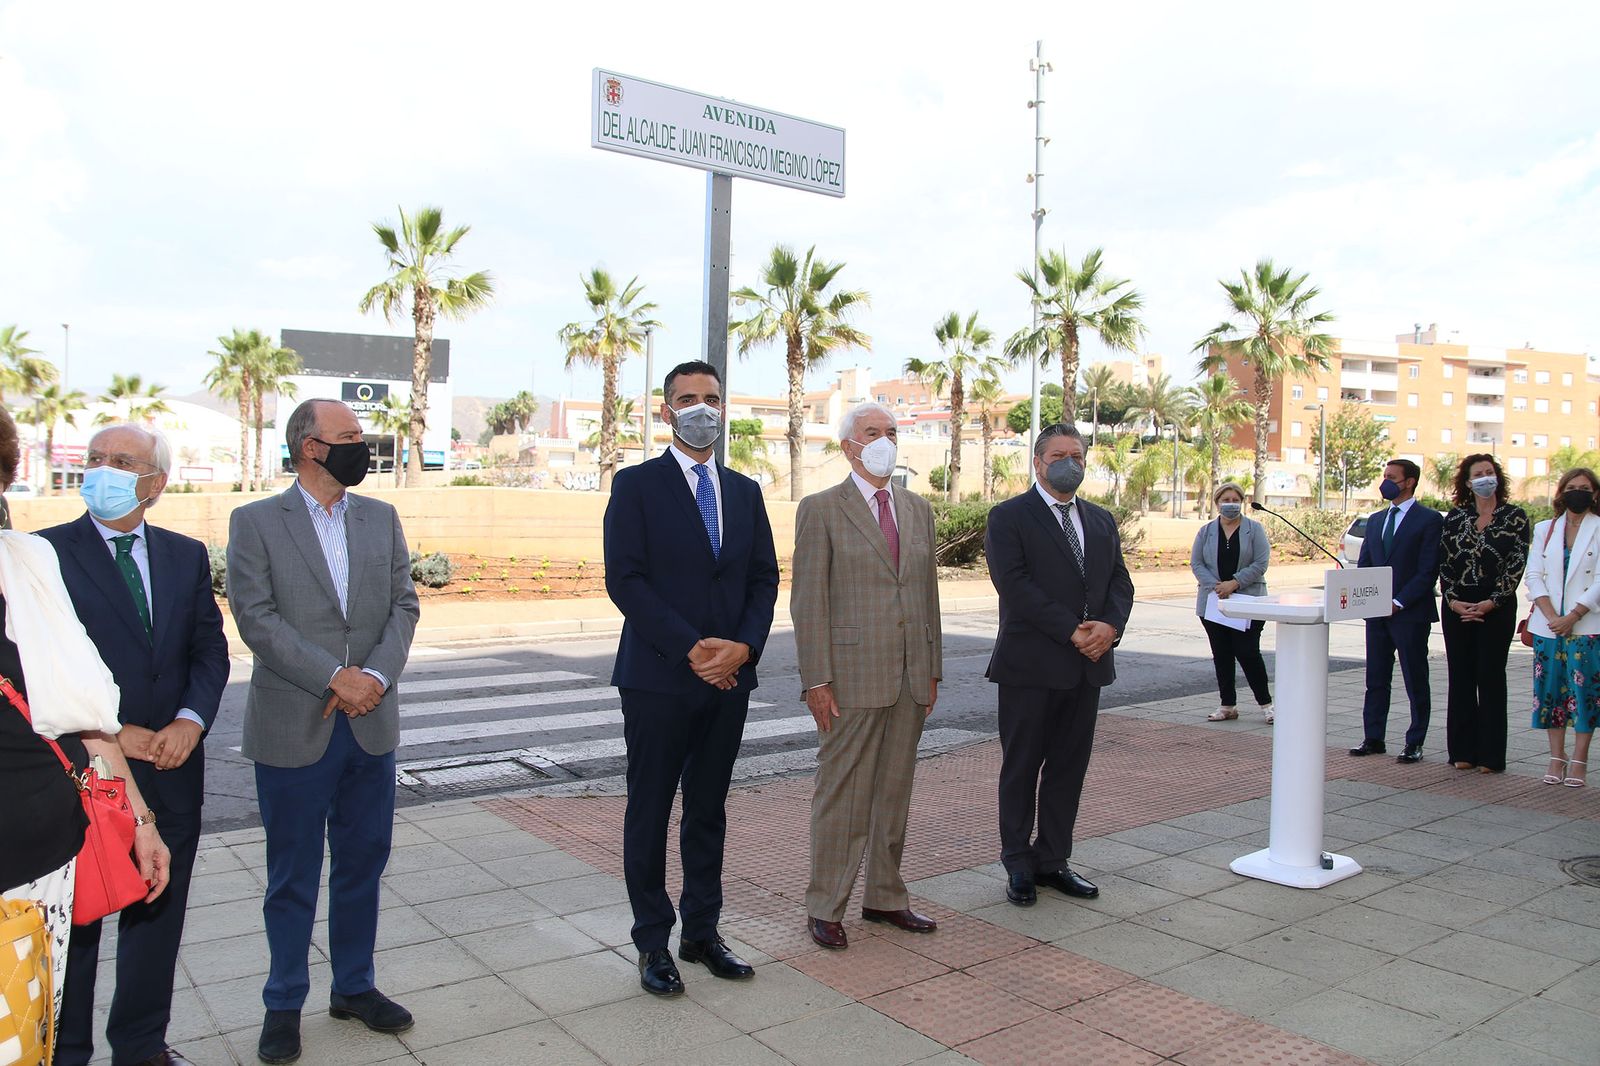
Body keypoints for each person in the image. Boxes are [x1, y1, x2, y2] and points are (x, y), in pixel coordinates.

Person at [227, 399, 420, 1064]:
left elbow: (403, 604)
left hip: (371, 724)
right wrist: (335, 676)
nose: (360, 448)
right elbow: (255, 618)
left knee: (363, 864)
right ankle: (283, 1003)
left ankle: (354, 986)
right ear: (310, 447)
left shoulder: (381, 517)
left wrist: (374, 677)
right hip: (294, 724)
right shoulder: (255, 521)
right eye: (349, 438)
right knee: (293, 874)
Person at [41, 425, 229, 1066]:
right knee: (81, 920)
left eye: (121, 462)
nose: (103, 470)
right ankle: (68, 1051)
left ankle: (142, 1045)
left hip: (175, 766)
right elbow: (41, 667)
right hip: (82, 767)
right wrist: (110, 732)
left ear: (156, 483)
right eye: (95, 459)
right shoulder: (45, 555)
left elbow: (209, 647)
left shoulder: (186, 554)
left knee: (158, 910)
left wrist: (190, 721)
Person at [603, 360, 779, 997]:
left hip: (730, 678)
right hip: (658, 678)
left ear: (723, 407)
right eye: (687, 399)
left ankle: (702, 931)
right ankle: (653, 940)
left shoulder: (745, 491)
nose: (701, 408)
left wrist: (744, 647)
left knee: (708, 810)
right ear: (665, 411)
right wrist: (691, 647)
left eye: (711, 398)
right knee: (649, 811)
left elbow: (763, 578)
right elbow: (625, 579)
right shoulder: (636, 486)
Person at [0, 404, 171, 1052]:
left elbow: (83, 711)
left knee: (22, 1035)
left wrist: (141, 820)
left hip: (32, 864)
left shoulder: (25, 562)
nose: (104, 473)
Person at [792, 402, 942, 951]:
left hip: (908, 677)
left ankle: (885, 896)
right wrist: (816, 679)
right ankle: (825, 904)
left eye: (892, 432)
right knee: (843, 794)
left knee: (893, 794)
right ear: (848, 446)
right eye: (872, 432)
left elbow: (926, 594)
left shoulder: (918, 508)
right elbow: (808, 602)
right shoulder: (822, 509)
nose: (885, 441)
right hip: (849, 678)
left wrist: (931, 669)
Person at [984, 423, 1134, 907]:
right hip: (1031, 666)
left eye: (1078, 454)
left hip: (1088, 667)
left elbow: (1119, 583)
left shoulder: (1102, 519)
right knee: (1022, 767)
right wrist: (1072, 631)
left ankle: (1053, 859)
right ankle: (1018, 863)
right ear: (1038, 461)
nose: (1070, 462)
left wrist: (1109, 628)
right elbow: (1015, 585)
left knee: (1069, 768)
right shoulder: (1009, 517)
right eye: (1059, 454)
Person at [1438, 454, 1530, 775]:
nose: (1485, 478)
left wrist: (1492, 602)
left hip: (1497, 607)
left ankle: (1491, 756)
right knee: (1460, 676)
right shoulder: (1455, 517)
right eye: (1479, 474)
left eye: (1490, 473)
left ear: (1498, 478)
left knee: (1490, 678)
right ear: (1468, 482)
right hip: (1457, 607)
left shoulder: (1514, 517)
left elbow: (1516, 564)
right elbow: (1445, 565)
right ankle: (1462, 751)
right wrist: (1452, 601)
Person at [1350, 458, 1444, 764]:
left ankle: (1414, 742)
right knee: (1376, 678)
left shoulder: (1429, 520)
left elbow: (1427, 570)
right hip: (1376, 613)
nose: (1385, 481)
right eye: (1384, 476)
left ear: (1410, 482)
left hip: (1410, 613)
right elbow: (1365, 564)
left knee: (1415, 678)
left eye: (1392, 477)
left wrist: (1399, 601)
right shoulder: (1376, 520)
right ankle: (1373, 737)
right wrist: (1363, 597)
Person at [1523, 466, 1600, 788]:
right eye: (1572, 486)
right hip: (1548, 627)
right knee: (1552, 694)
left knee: (1584, 695)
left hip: (1586, 626)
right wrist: (1553, 616)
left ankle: (1580, 759)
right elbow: (1534, 575)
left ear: (1594, 494)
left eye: (1584, 487)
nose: (1577, 491)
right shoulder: (1546, 529)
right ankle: (1557, 756)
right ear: (1561, 492)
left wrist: (1573, 615)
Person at [1189, 482, 1274, 724]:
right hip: (1214, 603)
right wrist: (1217, 586)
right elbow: (1196, 564)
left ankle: (1267, 705)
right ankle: (1228, 705)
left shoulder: (1254, 530)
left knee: (1247, 652)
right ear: (1217, 504)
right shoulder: (1206, 532)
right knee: (1222, 655)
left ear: (1242, 502)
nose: (1231, 504)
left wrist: (1234, 583)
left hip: (1248, 601)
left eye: (1235, 499)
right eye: (1226, 500)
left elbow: (1260, 564)